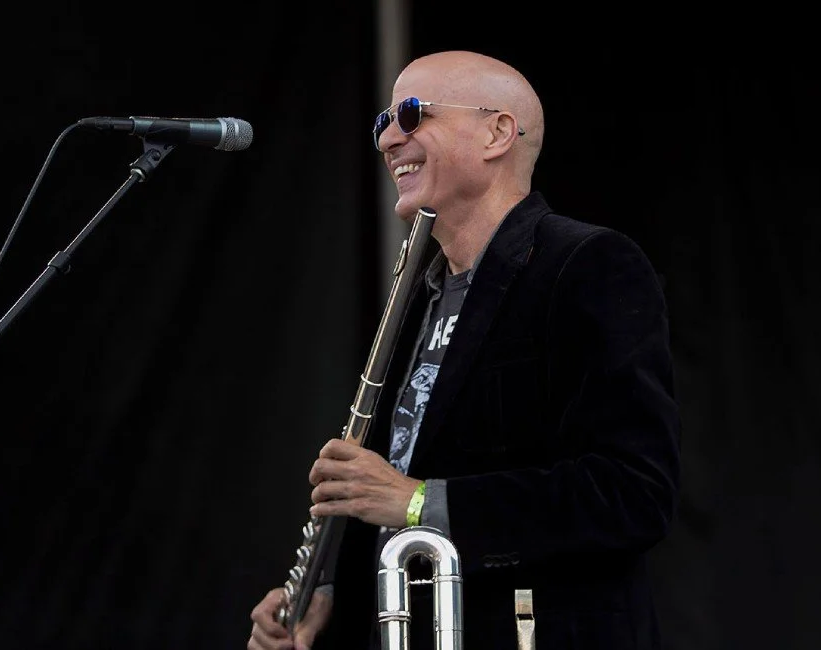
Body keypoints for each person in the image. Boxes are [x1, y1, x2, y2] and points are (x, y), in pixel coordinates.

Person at [248, 49, 681, 650]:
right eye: (382, 123)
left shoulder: (587, 265)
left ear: (497, 132)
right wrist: (324, 594)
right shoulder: (417, 291)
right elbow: (392, 498)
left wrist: (423, 502)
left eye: (411, 113)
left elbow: (633, 494)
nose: (388, 140)